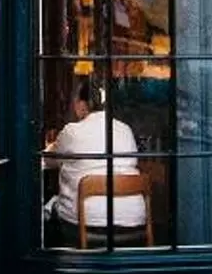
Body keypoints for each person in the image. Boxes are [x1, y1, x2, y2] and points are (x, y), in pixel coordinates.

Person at [44, 80, 149, 234]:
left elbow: (47, 160)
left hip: (86, 223)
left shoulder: (72, 131)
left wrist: (53, 146)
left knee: (49, 212)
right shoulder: (125, 129)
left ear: (81, 105)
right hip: (133, 221)